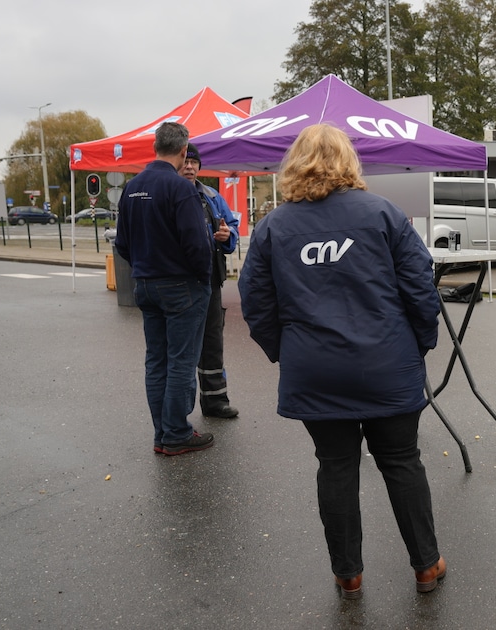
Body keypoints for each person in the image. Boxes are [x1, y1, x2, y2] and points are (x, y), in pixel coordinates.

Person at [238, 123, 446, 597]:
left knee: (335, 465)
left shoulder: (274, 225)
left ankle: (347, 573)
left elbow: (256, 301)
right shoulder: (383, 213)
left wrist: (284, 351)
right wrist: (420, 345)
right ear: (349, 162)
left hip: (315, 366)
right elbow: (421, 289)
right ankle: (426, 565)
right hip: (387, 362)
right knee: (401, 461)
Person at [113, 122, 215, 457]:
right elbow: (198, 245)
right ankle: (175, 433)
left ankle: (162, 433)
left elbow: (123, 244)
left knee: (156, 361)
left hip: (145, 284)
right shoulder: (180, 188)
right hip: (181, 286)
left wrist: (145, 265)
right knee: (181, 361)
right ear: (184, 150)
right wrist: (203, 277)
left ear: (154, 147)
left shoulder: (132, 187)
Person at [180, 144, 240, 419]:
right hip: (180, 283)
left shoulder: (212, 196)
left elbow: (232, 229)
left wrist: (228, 237)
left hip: (211, 281)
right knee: (181, 346)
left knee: (212, 341)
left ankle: (215, 401)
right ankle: (178, 411)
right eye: (185, 161)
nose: (189, 166)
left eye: (194, 162)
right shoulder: (169, 195)